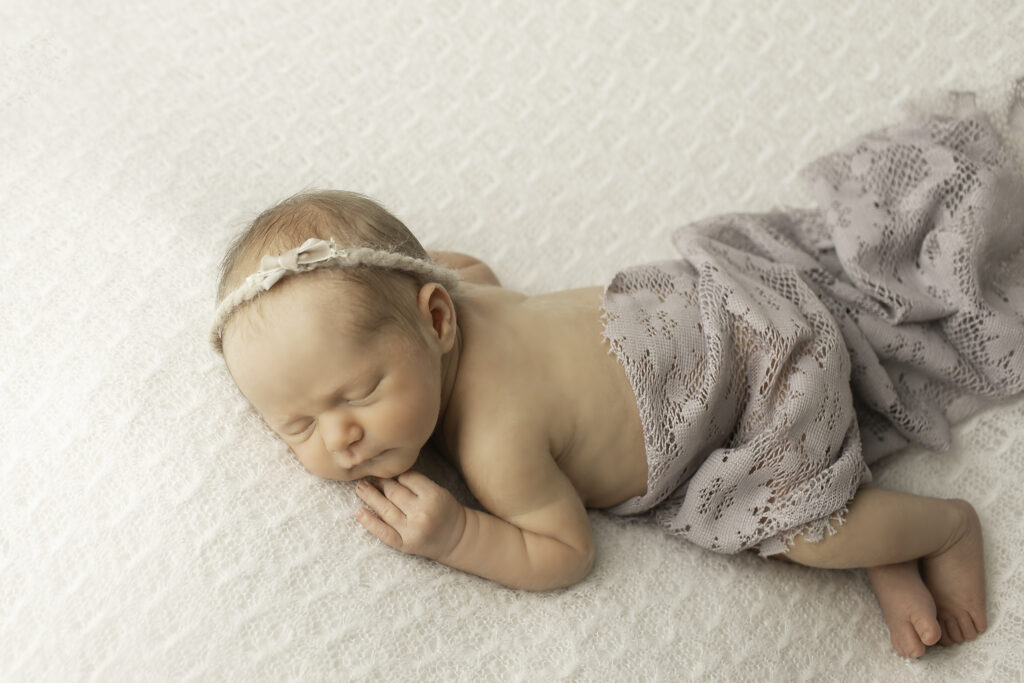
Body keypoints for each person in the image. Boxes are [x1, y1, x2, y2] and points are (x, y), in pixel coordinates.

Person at [210, 101, 1024, 658]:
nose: (341, 435)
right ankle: (868, 528)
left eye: (357, 392)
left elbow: (564, 551)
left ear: (435, 319)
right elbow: (463, 264)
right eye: (297, 424)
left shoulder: (497, 438)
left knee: (807, 535)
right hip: (713, 304)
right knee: (818, 469)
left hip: (751, 395)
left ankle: (940, 527)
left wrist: (457, 534)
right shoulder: (460, 292)